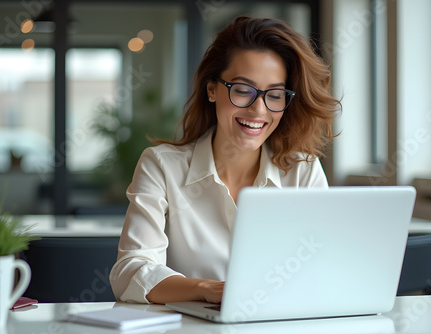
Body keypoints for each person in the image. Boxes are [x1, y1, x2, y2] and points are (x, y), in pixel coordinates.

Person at [109, 16, 341, 305]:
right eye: (243, 90)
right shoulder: (162, 167)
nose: (259, 110)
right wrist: (207, 289)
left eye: (275, 94)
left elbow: (325, 268)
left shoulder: (302, 172)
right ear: (212, 89)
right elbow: (130, 272)